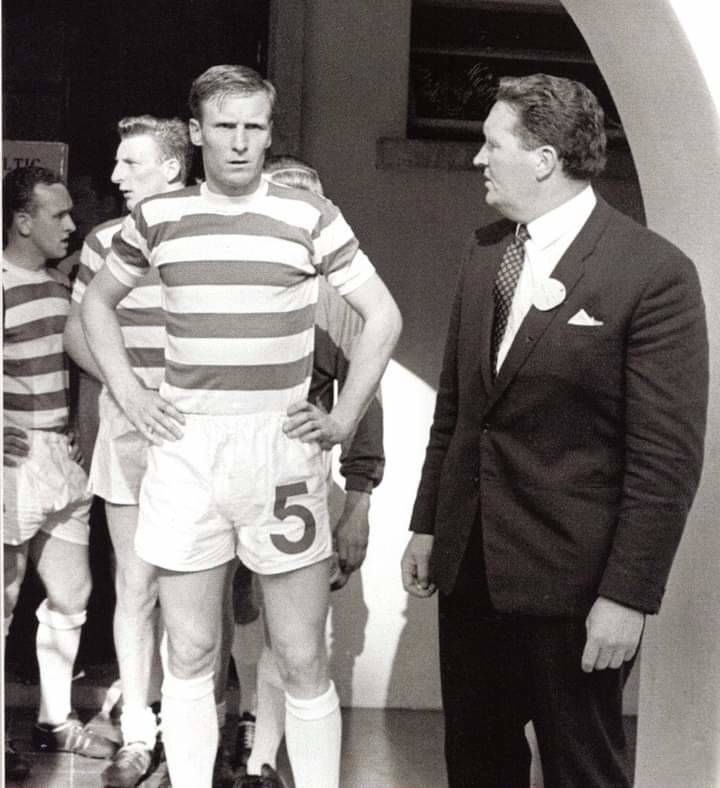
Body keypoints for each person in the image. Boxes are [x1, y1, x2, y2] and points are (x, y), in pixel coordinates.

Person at [80, 65, 402, 788]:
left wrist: (345, 415)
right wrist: (130, 393)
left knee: (301, 656)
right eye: (224, 126)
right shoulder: (158, 218)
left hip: (279, 450)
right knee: (190, 651)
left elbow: (383, 316)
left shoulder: (308, 215)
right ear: (196, 134)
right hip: (188, 448)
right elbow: (95, 306)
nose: (240, 142)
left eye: (254, 126)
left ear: (268, 129)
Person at [401, 73, 708, 788]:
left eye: (492, 143)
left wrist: (628, 597)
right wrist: (428, 527)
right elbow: (459, 410)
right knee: (476, 765)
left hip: (576, 592)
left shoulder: (652, 275)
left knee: (582, 772)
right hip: (470, 572)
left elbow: (665, 460)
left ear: (543, 158)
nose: (478, 159)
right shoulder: (486, 254)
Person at [229, 155, 385, 788]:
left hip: (296, 483)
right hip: (218, 476)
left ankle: (265, 759)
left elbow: (363, 401)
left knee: (297, 634)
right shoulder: (222, 283)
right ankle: (237, 736)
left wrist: (360, 501)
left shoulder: (338, 300)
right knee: (223, 616)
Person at [63, 114, 193, 788]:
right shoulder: (104, 239)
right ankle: (139, 732)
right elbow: (79, 331)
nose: (115, 177)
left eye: (130, 164)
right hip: (127, 430)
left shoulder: (206, 229)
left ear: (172, 168)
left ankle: (195, 726)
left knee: (195, 593)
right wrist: (130, 391)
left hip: (196, 436)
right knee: (135, 587)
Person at [3, 166, 119, 782]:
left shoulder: (62, 289)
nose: (73, 224)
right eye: (59, 215)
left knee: (72, 595)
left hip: (63, 460)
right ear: (24, 221)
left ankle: (53, 719)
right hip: (13, 465)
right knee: (3, 597)